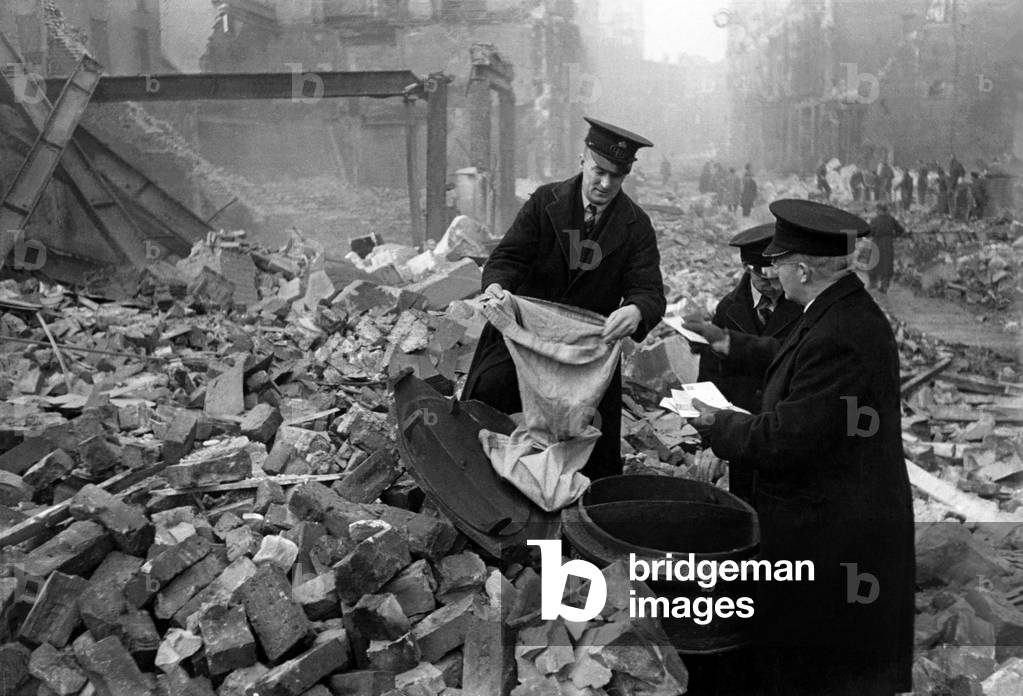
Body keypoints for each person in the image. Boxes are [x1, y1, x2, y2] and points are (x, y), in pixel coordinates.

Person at [684, 199, 914, 696]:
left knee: (820, 670)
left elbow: (787, 439)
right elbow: (790, 353)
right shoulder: (837, 309)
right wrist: (728, 342)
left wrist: (717, 425)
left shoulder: (842, 333)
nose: (773, 272)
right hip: (833, 518)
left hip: (835, 531)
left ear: (803, 270)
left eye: (779, 263)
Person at [461, 117, 666, 481]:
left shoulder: (636, 225)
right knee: (489, 406)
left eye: (616, 176)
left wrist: (636, 310)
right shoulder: (545, 202)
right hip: (524, 340)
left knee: (586, 449)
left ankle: (563, 533)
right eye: (598, 170)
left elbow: (649, 290)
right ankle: (484, 511)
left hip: (586, 357)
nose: (604, 183)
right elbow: (508, 257)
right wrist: (495, 286)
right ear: (582, 160)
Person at [696, 223, 802, 502]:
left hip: (785, 435)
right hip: (741, 435)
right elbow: (708, 380)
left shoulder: (804, 308)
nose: (774, 286)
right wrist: (712, 441)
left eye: (778, 276)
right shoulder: (729, 309)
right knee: (746, 509)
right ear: (748, 269)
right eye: (765, 279)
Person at [867, 202, 904, 293]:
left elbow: (870, 232)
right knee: (887, 265)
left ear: (879, 210)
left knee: (873, 263)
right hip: (888, 244)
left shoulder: (874, 220)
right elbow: (900, 230)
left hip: (877, 243)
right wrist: (894, 236)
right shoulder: (891, 219)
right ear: (885, 210)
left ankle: (873, 284)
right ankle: (884, 285)